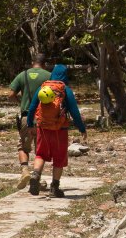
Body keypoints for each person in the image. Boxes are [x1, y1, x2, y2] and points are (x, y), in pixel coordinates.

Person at [26, 63, 86, 197]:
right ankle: (55, 187)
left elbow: (32, 107)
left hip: (43, 128)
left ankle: (35, 176)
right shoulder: (65, 90)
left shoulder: (43, 87)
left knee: (41, 154)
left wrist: (30, 124)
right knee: (59, 158)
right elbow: (75, 112)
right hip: (60, 130)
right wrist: (82, 128)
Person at [8, 54, 50, 189]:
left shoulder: (22, 75)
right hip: (43, 118)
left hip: (27, 116)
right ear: (44, 64)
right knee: (41, 151)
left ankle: (24, 170)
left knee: (23, 147)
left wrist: (21, 102)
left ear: (33, 63)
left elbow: (10, 94)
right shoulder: (49, 76)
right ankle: (36, 178)